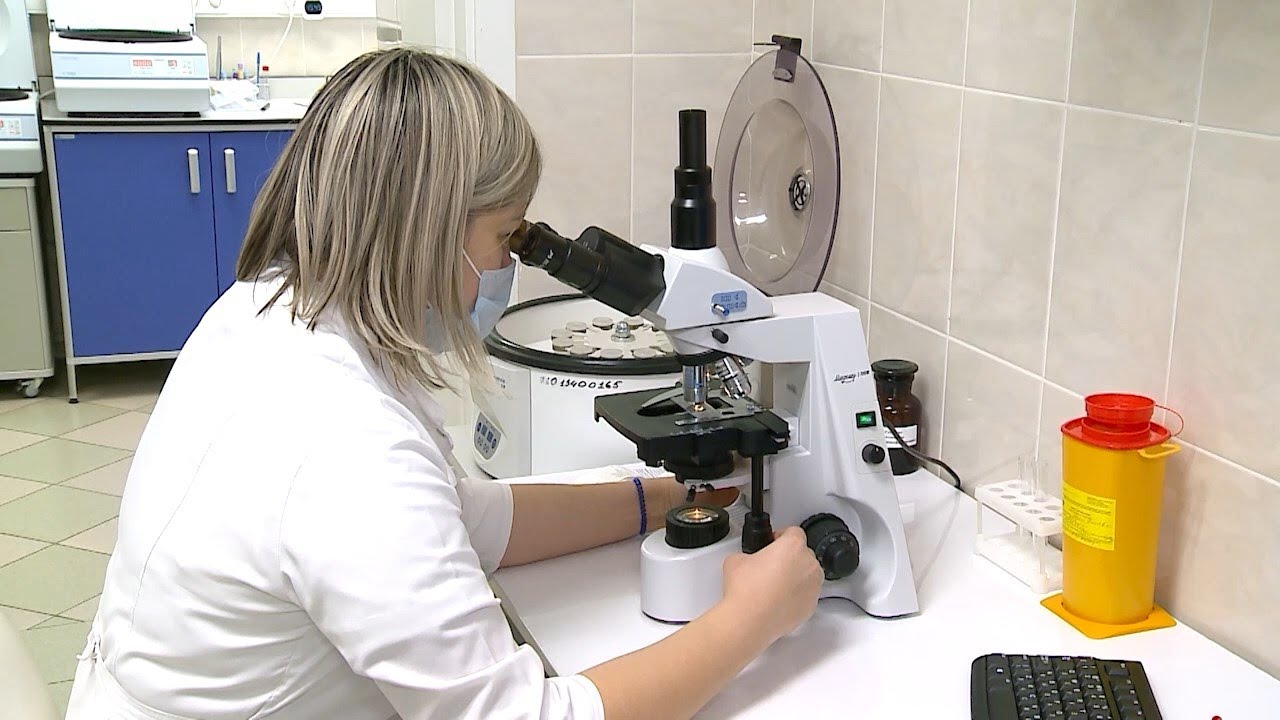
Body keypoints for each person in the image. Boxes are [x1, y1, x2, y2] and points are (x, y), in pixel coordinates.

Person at [65, 48, 822, 720]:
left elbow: (462, 519)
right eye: (506, 236)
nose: (510, 266)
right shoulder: (348, 448)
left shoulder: (263, 309)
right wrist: (752, 618)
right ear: (425, 231)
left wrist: (662, 497)